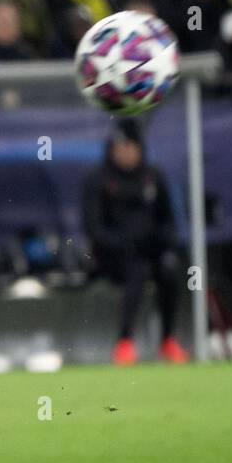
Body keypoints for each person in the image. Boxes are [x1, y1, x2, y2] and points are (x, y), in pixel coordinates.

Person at [81, 119, 188, 365]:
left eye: (131, 147)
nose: (126, 153)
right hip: (112, 257)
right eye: (121, 147)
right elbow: (94, 229)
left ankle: (168, 340)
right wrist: (124, 243)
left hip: (150, 252)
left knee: (169, 269)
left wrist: (164, 244)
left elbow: (168, 221)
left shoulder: (153, 177)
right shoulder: (98, 180)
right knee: (136, 271)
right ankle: (125, 342)